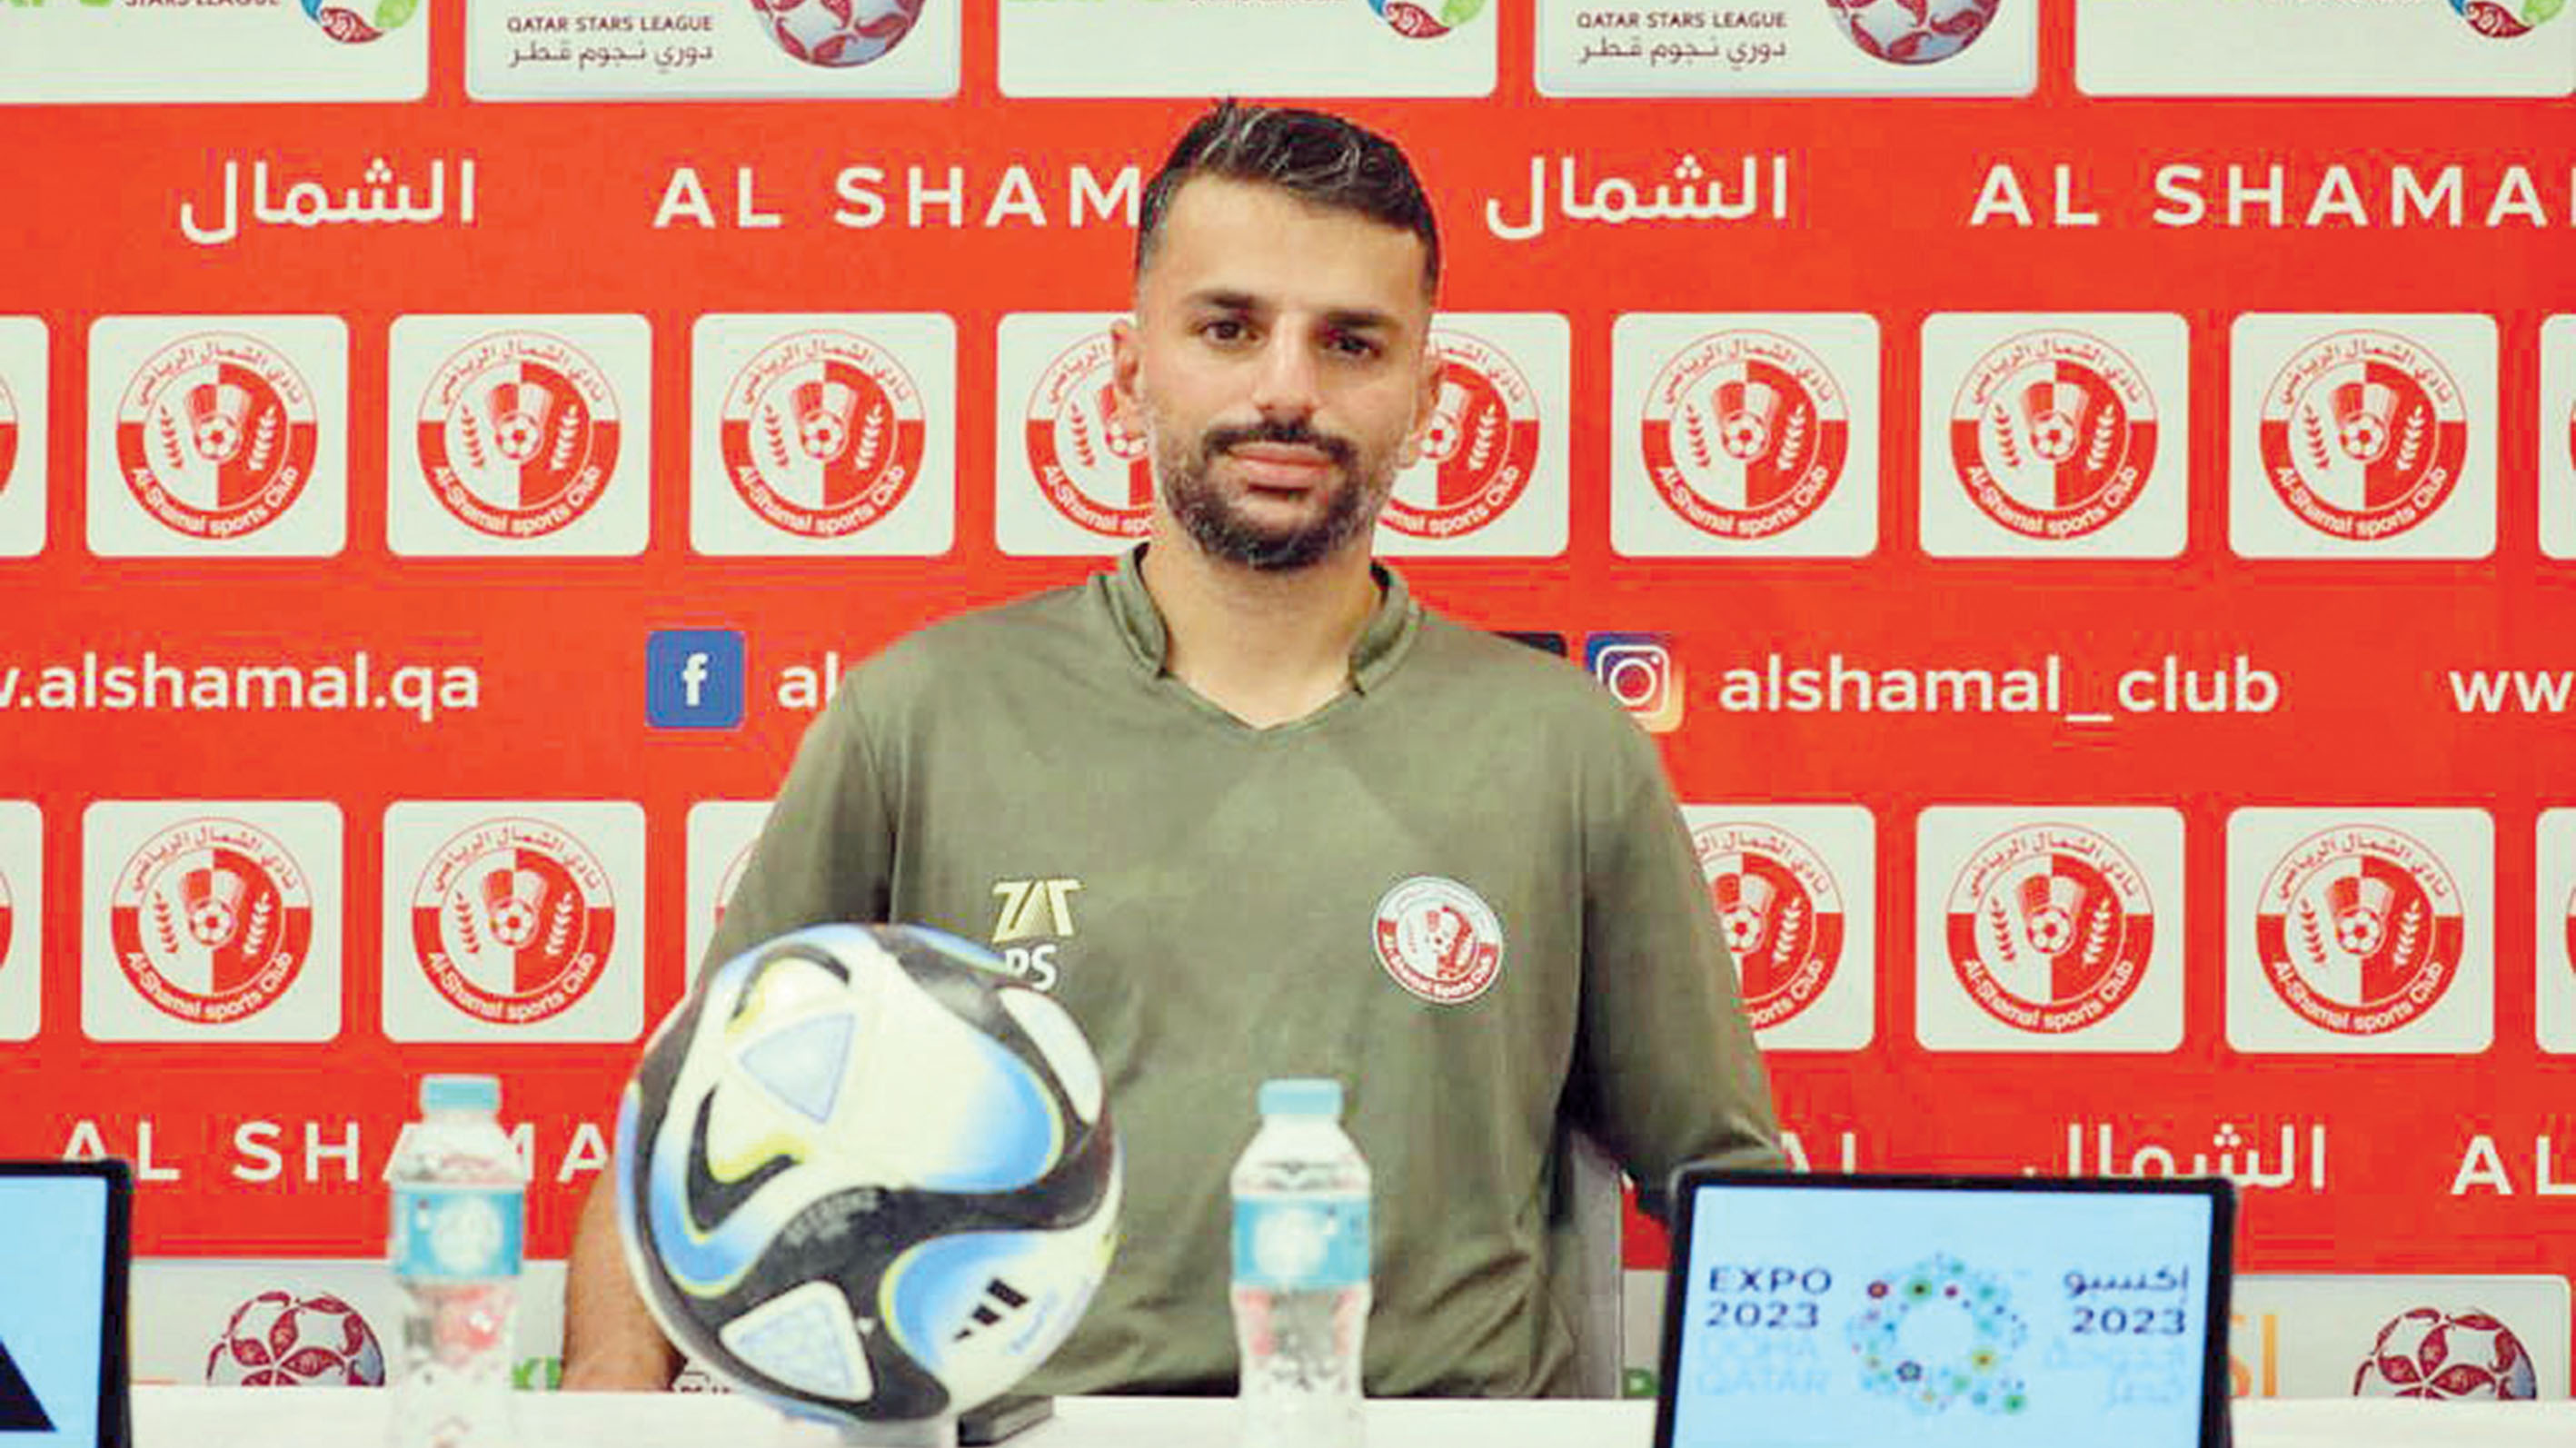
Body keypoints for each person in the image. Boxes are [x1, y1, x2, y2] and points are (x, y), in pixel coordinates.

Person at [562, 100, 1782, 1401]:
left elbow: (1729, 1188)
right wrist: (600, 1406)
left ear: (1426, 399)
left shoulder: (1565, 747)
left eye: (1351, 343)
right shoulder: (921, 718)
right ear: (1129, 368)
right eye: (1229, 328)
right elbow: (685, 1140)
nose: (1288, 391)